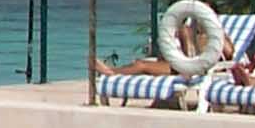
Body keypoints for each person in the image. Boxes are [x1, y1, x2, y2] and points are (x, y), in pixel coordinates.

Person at [93, 13, 233, 78]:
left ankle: (110, 73)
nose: (201, 18)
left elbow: (229, 53)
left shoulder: (217, 35)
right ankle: (111, 71)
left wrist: (216, 32)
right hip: (180, 66)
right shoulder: (191, 33)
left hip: (196, 70)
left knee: (142, 65)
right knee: (140, 63)